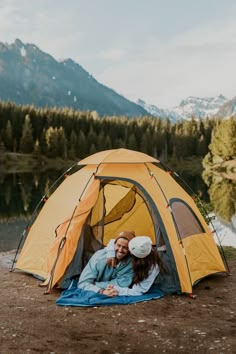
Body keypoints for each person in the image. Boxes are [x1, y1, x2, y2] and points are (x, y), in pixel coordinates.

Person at [77, 230, 135, 295]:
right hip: (97, 286)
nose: (120, 250)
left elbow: (123, 283)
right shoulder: (99, 257)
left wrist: (98, 285)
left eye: (125, 247)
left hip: (100, 285)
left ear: (129, 250)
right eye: (118, 245)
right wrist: (101, 291)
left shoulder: (130, 262)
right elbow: (83, 283)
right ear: (114, 244)